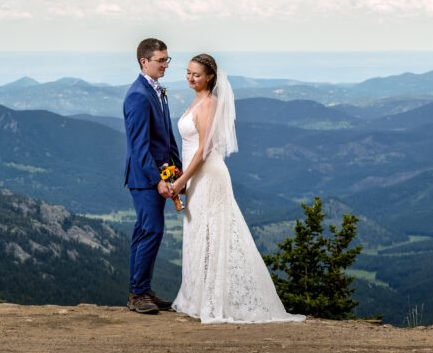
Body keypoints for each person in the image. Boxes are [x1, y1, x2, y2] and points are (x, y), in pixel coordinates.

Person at [169, 53, 305, 324]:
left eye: (196, 74)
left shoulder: (208, 104)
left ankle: (213, 301)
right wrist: (184, 177)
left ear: (210, 77)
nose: (190, 78)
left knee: (213, 232)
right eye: (188, 72)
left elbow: (205, 150)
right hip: (197, 175)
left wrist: (181, 181)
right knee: (199, 232)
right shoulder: (197, 100)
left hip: (208, 175)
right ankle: (199, 297)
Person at [123, 37, 183, 315]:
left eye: (166, 60)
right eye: (161, 60)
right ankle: (137, 294)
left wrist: (177, 169)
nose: (165, 65)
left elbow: (166, 136)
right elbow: (139, 146)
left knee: (144, 231)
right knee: (152, 231)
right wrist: (156, 179)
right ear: (143, 62)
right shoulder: (137, 95)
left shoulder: (156, 91)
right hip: (145, 178)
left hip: (161, 174)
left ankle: (142, 290)